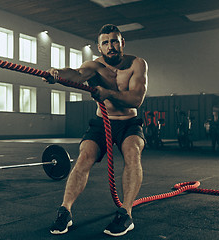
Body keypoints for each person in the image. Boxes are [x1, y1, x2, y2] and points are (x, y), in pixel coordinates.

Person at [43, 24, 148, 237]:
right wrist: (57, 74)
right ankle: (65, 211)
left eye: (115, 41)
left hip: (129, 123)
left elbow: (136, 99)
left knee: (132, 153)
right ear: (99, 47)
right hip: (102, 123)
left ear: (122, 43)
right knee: (84, 157)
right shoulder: (94, 66)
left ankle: (126, 213)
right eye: (106, 43)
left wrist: (108, 93)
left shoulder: (137, 64)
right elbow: (76, 74)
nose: (111, 46)